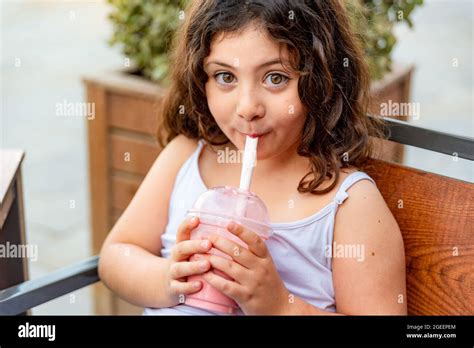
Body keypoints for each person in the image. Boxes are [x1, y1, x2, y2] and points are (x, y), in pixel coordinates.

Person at [98, 0, 407, 315]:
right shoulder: (186, 155)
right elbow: (116, 255)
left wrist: (280, 306)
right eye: (225, 77)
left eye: (275, 78)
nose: (247, 107)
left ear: (323, 81)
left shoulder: (349, 205)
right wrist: (167, 279)